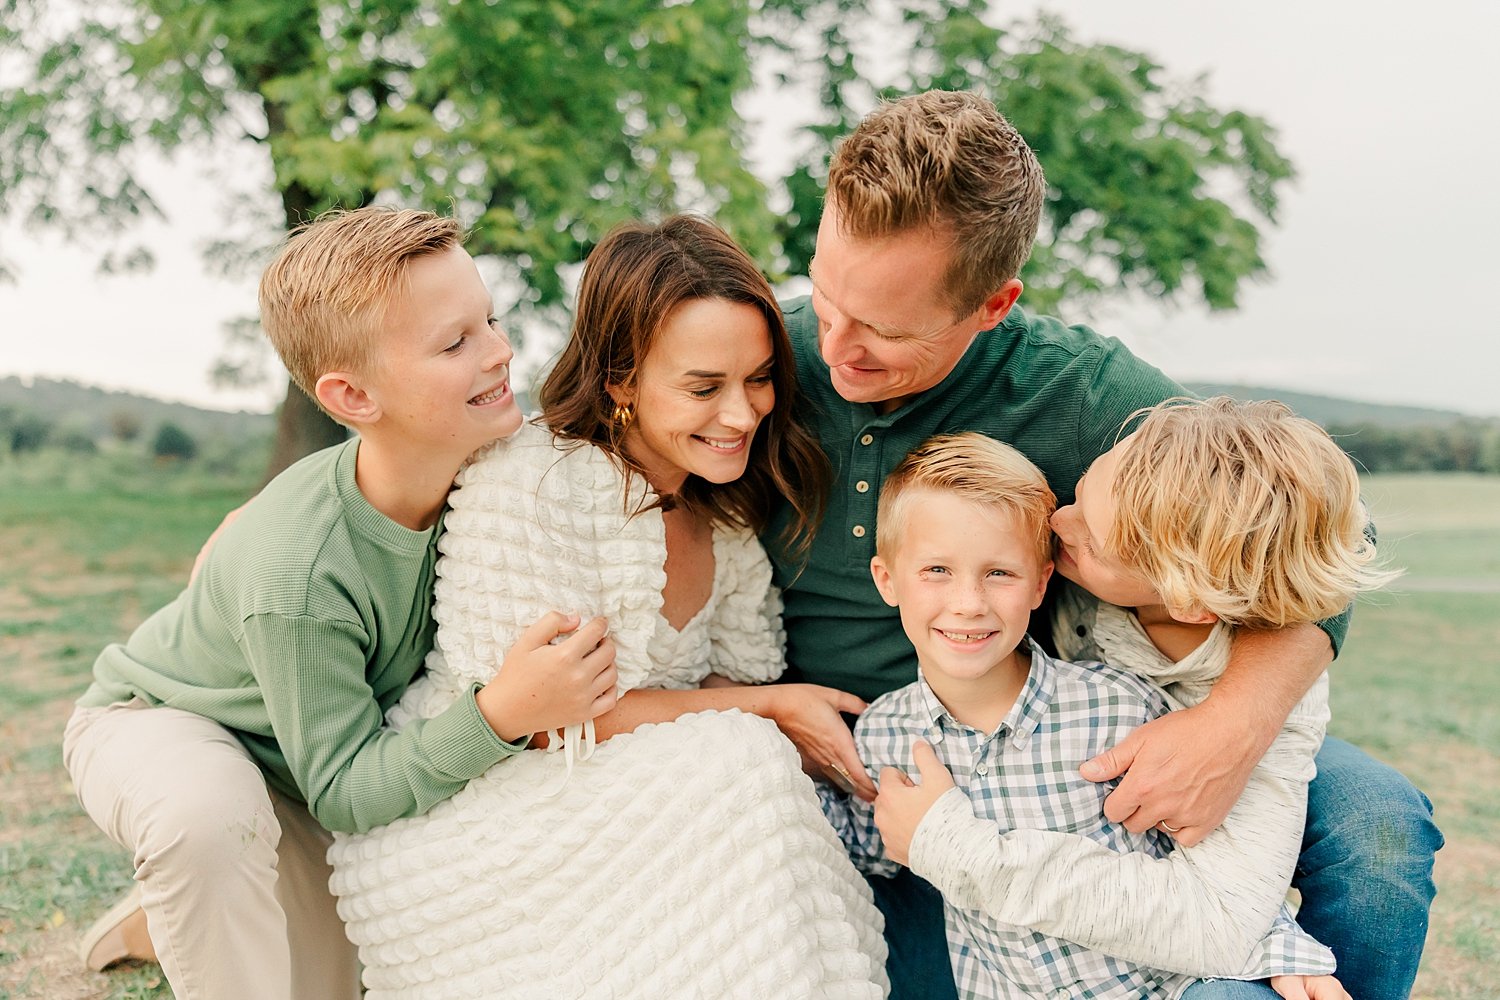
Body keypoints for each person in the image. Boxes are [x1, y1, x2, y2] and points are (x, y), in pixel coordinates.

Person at [767, 89, 1442, 999]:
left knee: (1379, 828)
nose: (836, 347)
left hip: (1074, 745)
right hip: (886, 765)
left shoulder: (1084, 391)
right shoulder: (759, 351)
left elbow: (1315, 535)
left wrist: (1229, 726)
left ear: (993, 305)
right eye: (826, 292)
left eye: (887, 331)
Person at [62, 207, 620, 1000]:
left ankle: (164, 918)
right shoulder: (301, 573)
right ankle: (198, 878)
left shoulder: (492, 469)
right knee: (211, 827)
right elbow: (349, 791)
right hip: (172, 724)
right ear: (352, 395)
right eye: (455, 343)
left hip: (308, 762)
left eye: (489, 321)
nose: (499, 352)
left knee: (372, 962)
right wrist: (499, 714)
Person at [326, 215, 888, 999]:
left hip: (645, 793)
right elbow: (548, 718)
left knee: (763, 779)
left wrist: (787, 716)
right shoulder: (533, 481)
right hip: (489, 805)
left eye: (758, 379)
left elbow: (730, 685)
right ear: (622, 379)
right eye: (703, 386)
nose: (742, 414)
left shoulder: (724, 521)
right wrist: (771, 709)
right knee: (748, 761)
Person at [824, 431, 1347, 1000]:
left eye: (999, 573)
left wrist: (1284, 949)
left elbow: (1216, 872)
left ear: (1040, 582)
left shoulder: (1122, 710)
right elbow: (858, 842)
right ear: (886, 580)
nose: (969, 602)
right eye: (936, 572)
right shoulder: (884, 737)